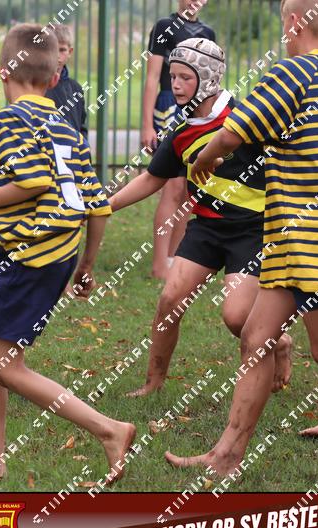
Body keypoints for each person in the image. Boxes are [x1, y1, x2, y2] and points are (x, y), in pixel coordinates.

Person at [0, 24, 135, 482]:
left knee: (5, 366)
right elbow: (98, 206)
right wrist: (86, 265)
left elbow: (32, 181)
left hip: (32, 257)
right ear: (54, 77)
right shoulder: (66, 128)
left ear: (2, 73)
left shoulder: (10, 120)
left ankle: (109, 429)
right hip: (58, 253)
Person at [166, 0, 318, 476]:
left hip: (314, 238)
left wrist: (202, 160)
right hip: (293, 238)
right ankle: (225, 457)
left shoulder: (294, 73)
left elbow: (232, 134)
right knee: (257, 337)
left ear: (294, 22)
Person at [109, 38, 292, 398]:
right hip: (206, 228)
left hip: (252, 232)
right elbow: (152, 178)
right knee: (169, 301)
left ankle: (281, 341)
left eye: (185, 78)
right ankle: (153, 384)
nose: (175, 85)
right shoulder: (181, 130)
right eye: (172, 77)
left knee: (237, 318)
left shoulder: (243, 117)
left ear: (208, 78)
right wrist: (106, 205)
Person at [142, 0, 214, 279]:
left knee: (187, 190)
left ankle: (173, 259)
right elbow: (152, 78)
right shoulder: (164, 26)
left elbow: (210, 83)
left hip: (196, 112)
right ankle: (159, 264)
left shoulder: (208, 33)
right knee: (172, 187)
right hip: (169, 108)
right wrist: (147, 125)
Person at [45, 24, 87, 137]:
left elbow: (81, 126)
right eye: (52, 49)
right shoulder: (36, 86)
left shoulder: (76, 88)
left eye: (62, 50)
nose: (57, 55)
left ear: (70, 52)